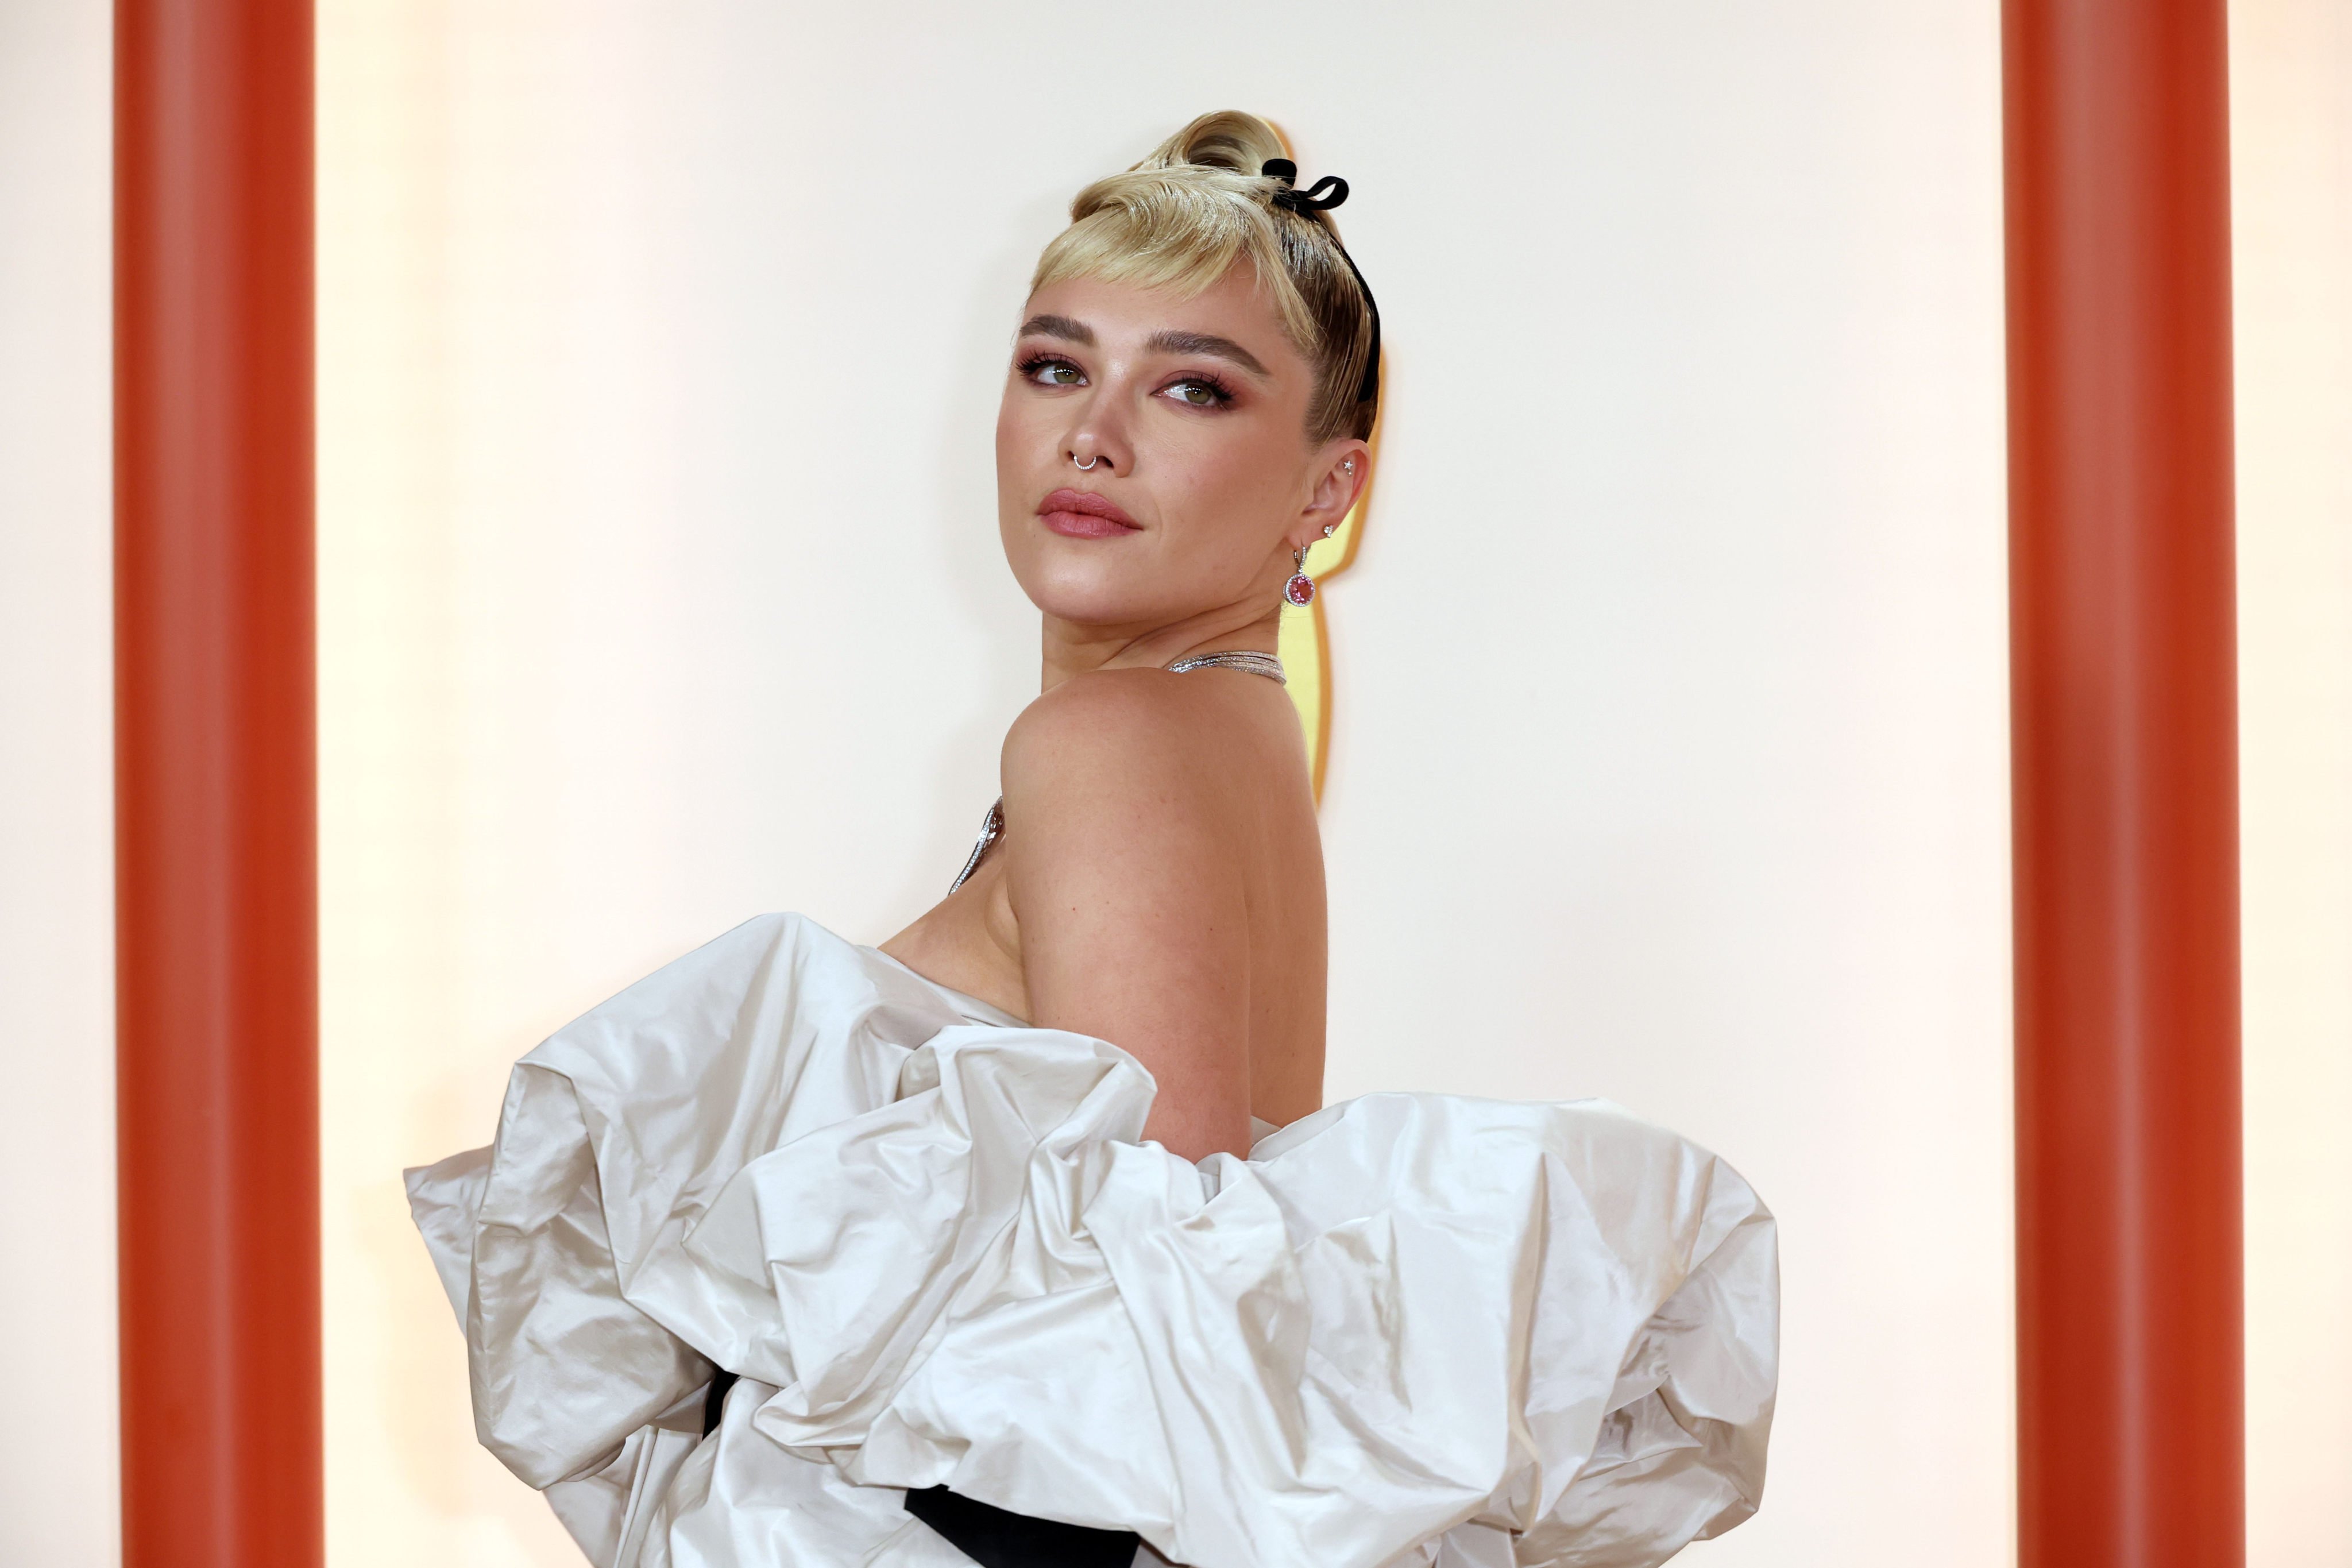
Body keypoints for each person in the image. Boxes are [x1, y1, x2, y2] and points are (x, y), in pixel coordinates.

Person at [408, 111, 1777, 1568]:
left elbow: (1146, 1338)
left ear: (1327, 489)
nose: (1090, 433)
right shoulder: (1220, 736)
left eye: (1192, 390)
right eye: (1055, 365)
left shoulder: (1112, 745)